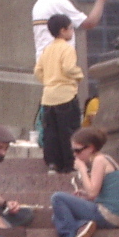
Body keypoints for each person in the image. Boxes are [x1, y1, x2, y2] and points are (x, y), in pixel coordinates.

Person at [51, 127, 119, 237]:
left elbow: (92, 193)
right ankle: (83, 225)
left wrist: (82, 169)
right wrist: (84, 194)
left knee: (57, 198)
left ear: (90, 148)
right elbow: (98, 193)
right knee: (58, 216)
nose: (75, 155)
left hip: (108, 214)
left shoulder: (99, 160)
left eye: (78, 150)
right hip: (114, 215)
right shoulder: (107, 159)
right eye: (73, 151)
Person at [31, 0, 119, 61]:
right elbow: (89, 23)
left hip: (43, 61)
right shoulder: (59, 2)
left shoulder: (40, 2)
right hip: (58, 61)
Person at [34, 14, 83, 174]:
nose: (72, 31)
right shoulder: (67, 48)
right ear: (63, 30)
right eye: (70, 28)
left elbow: (37, 71)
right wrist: (79, 75)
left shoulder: (47, 49)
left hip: (48, 96)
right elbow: (69, 68)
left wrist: (48, 81)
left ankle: (53, 163)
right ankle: (70, 164)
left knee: (51, 132)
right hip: (65, 94)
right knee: (69, 131)